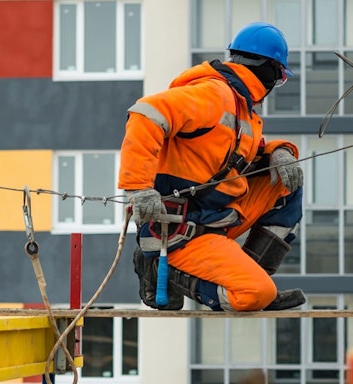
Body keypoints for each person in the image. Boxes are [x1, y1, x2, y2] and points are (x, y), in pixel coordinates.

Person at [118, 22, 305, 311]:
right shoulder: (213, 95)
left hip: (216, 220)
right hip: (180, 230)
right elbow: (146, 113)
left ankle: (250, 274)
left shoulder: (240, 108)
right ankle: (171, 272)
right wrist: (138, 188)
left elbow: (251, 155)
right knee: (253, 294)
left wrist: (280, 151)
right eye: (279, 77)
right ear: (268, 70)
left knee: (286, 180)